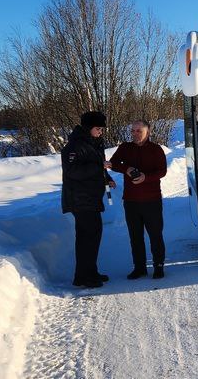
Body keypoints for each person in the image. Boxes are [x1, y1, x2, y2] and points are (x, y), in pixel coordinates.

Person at [107, 120, 168, 279]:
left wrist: (145, 177)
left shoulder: (156, 150)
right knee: (135, 236)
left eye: (138, 131)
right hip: (131, 200)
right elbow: (112, 164)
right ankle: (139, 267)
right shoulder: (125, 147)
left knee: (155, 234)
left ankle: (158, 265)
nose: (134, 134)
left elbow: (162, 171)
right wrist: (126, 168)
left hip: (152, 200)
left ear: (147, 132)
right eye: (132, 131)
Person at [61, 111, 115, 288]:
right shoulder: (75, 145)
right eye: (98, 128)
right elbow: (73, 171)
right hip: (80, 199)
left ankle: (88, 273)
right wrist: (99, 166)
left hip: (90, 197)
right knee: (88, 237)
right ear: (88, 127)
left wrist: (107, 178)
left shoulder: (93, 143)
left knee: (91, 237)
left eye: (101, 129)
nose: (101, 132)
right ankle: (84, 277)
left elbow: (97, 167)